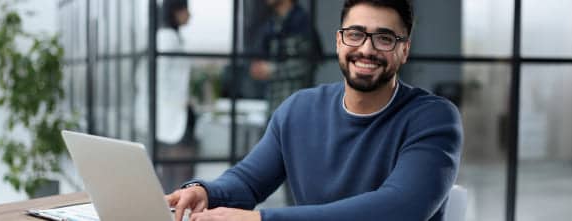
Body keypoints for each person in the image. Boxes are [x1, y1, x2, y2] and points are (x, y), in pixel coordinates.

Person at [165, 0, 463, 220]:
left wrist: (261, 220)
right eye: (356, 34)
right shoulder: (299, 109)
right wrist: (203, 191)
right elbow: (247, 181)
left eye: (384, 38)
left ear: (405, 50)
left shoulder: (433, 119)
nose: (367, 49)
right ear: (339, 41)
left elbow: (401, 208)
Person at [135, 0, 194, 191]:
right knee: (178, 172)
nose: (190, 15)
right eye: (186, 9)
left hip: (168, 115)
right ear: (176, 12)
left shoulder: (165, 36)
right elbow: (155, 79)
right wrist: (179, 101)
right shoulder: (167, 38)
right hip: (172, 116)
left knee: (171, 171)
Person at [249, 0, 322, 115]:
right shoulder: (272, 24)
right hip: (275, 108)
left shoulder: (301, 22)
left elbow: (306, 64)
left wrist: (271, 69)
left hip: (296, 110)